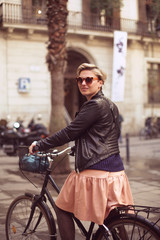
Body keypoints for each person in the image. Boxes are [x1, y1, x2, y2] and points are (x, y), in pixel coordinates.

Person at [29, 63, 133, 240]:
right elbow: (104, 135)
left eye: (89, 79)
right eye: (80, 79)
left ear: (100, 82)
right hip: (116, 171)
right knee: (113, 215)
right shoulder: (111, 105)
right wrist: (78, 148)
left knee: (62, 208)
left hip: (95, 170)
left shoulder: (94, 105)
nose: (83, 83)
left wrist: (40, 145)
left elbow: (70, 132)